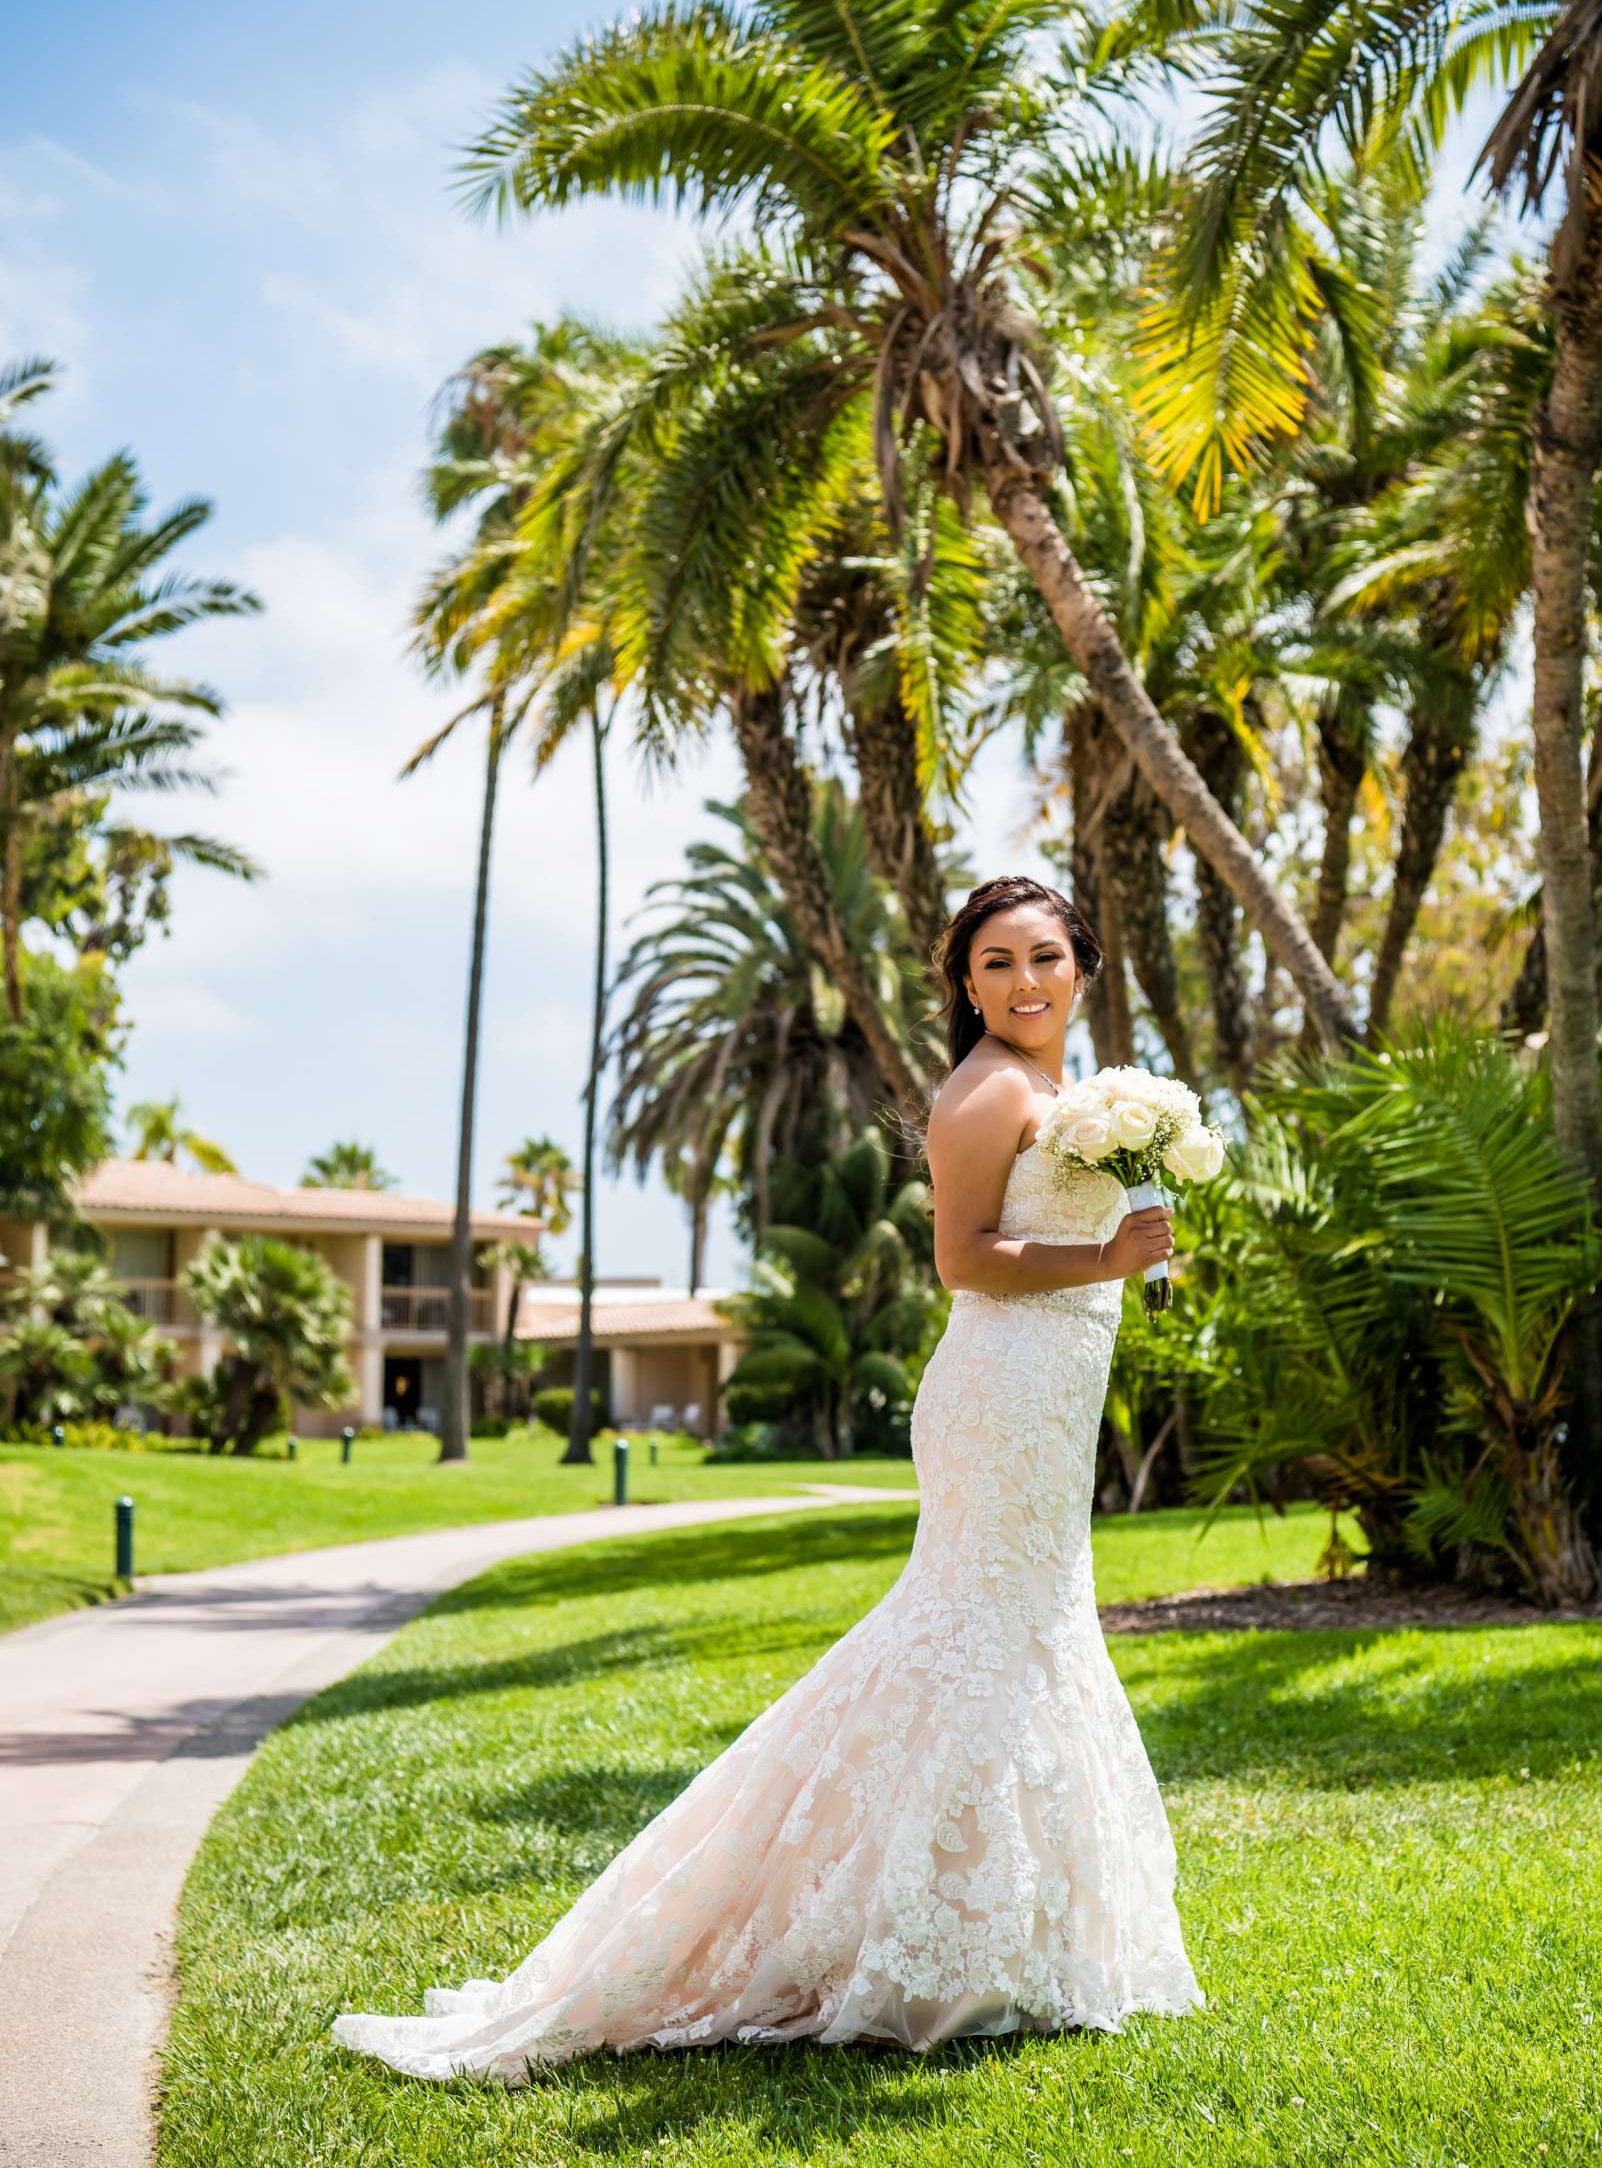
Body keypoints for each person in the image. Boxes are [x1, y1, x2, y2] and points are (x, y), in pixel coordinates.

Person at [330, 874, 1205, 2082]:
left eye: (1045, 958)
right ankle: (897, 1935)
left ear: (1083, 969)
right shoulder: (988, 1091)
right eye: (996, 963)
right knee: (973, 1631)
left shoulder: (1067, 1093)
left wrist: (1132, 1242)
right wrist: (1104, 1254)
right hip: (1001, 1390)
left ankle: (1009, 1937)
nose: (1025, 983)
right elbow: (963, 1260)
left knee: (1022, 1630)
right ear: (964, 984)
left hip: (1052, 1394)